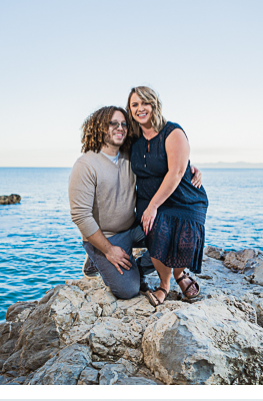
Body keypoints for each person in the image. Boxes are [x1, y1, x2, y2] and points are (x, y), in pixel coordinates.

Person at [68, 105, 204, 300]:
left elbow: (163, 165)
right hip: (108, 236)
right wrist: (108, 250)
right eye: (112, 123)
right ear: (98, 127)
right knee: (129, 290)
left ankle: (129, 263)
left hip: (134, 228)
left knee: (172, 232)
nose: (120, 127)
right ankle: (96, 254)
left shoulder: (131, 155)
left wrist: (188, 168)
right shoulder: (85, 165)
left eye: (124, 124)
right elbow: (80, 216)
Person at [127, 86, 209, 308]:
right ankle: (165, 284)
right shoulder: (132, 139)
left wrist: (153, 206)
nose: (140, 108)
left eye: (145, 103)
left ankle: (180, 274)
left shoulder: (173, 132)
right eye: (135, 104)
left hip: (183, 197)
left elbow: (176, 172)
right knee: (155, 228)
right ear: (130, 109)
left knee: (184, 231)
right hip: (149, 197)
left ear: (154, 105)